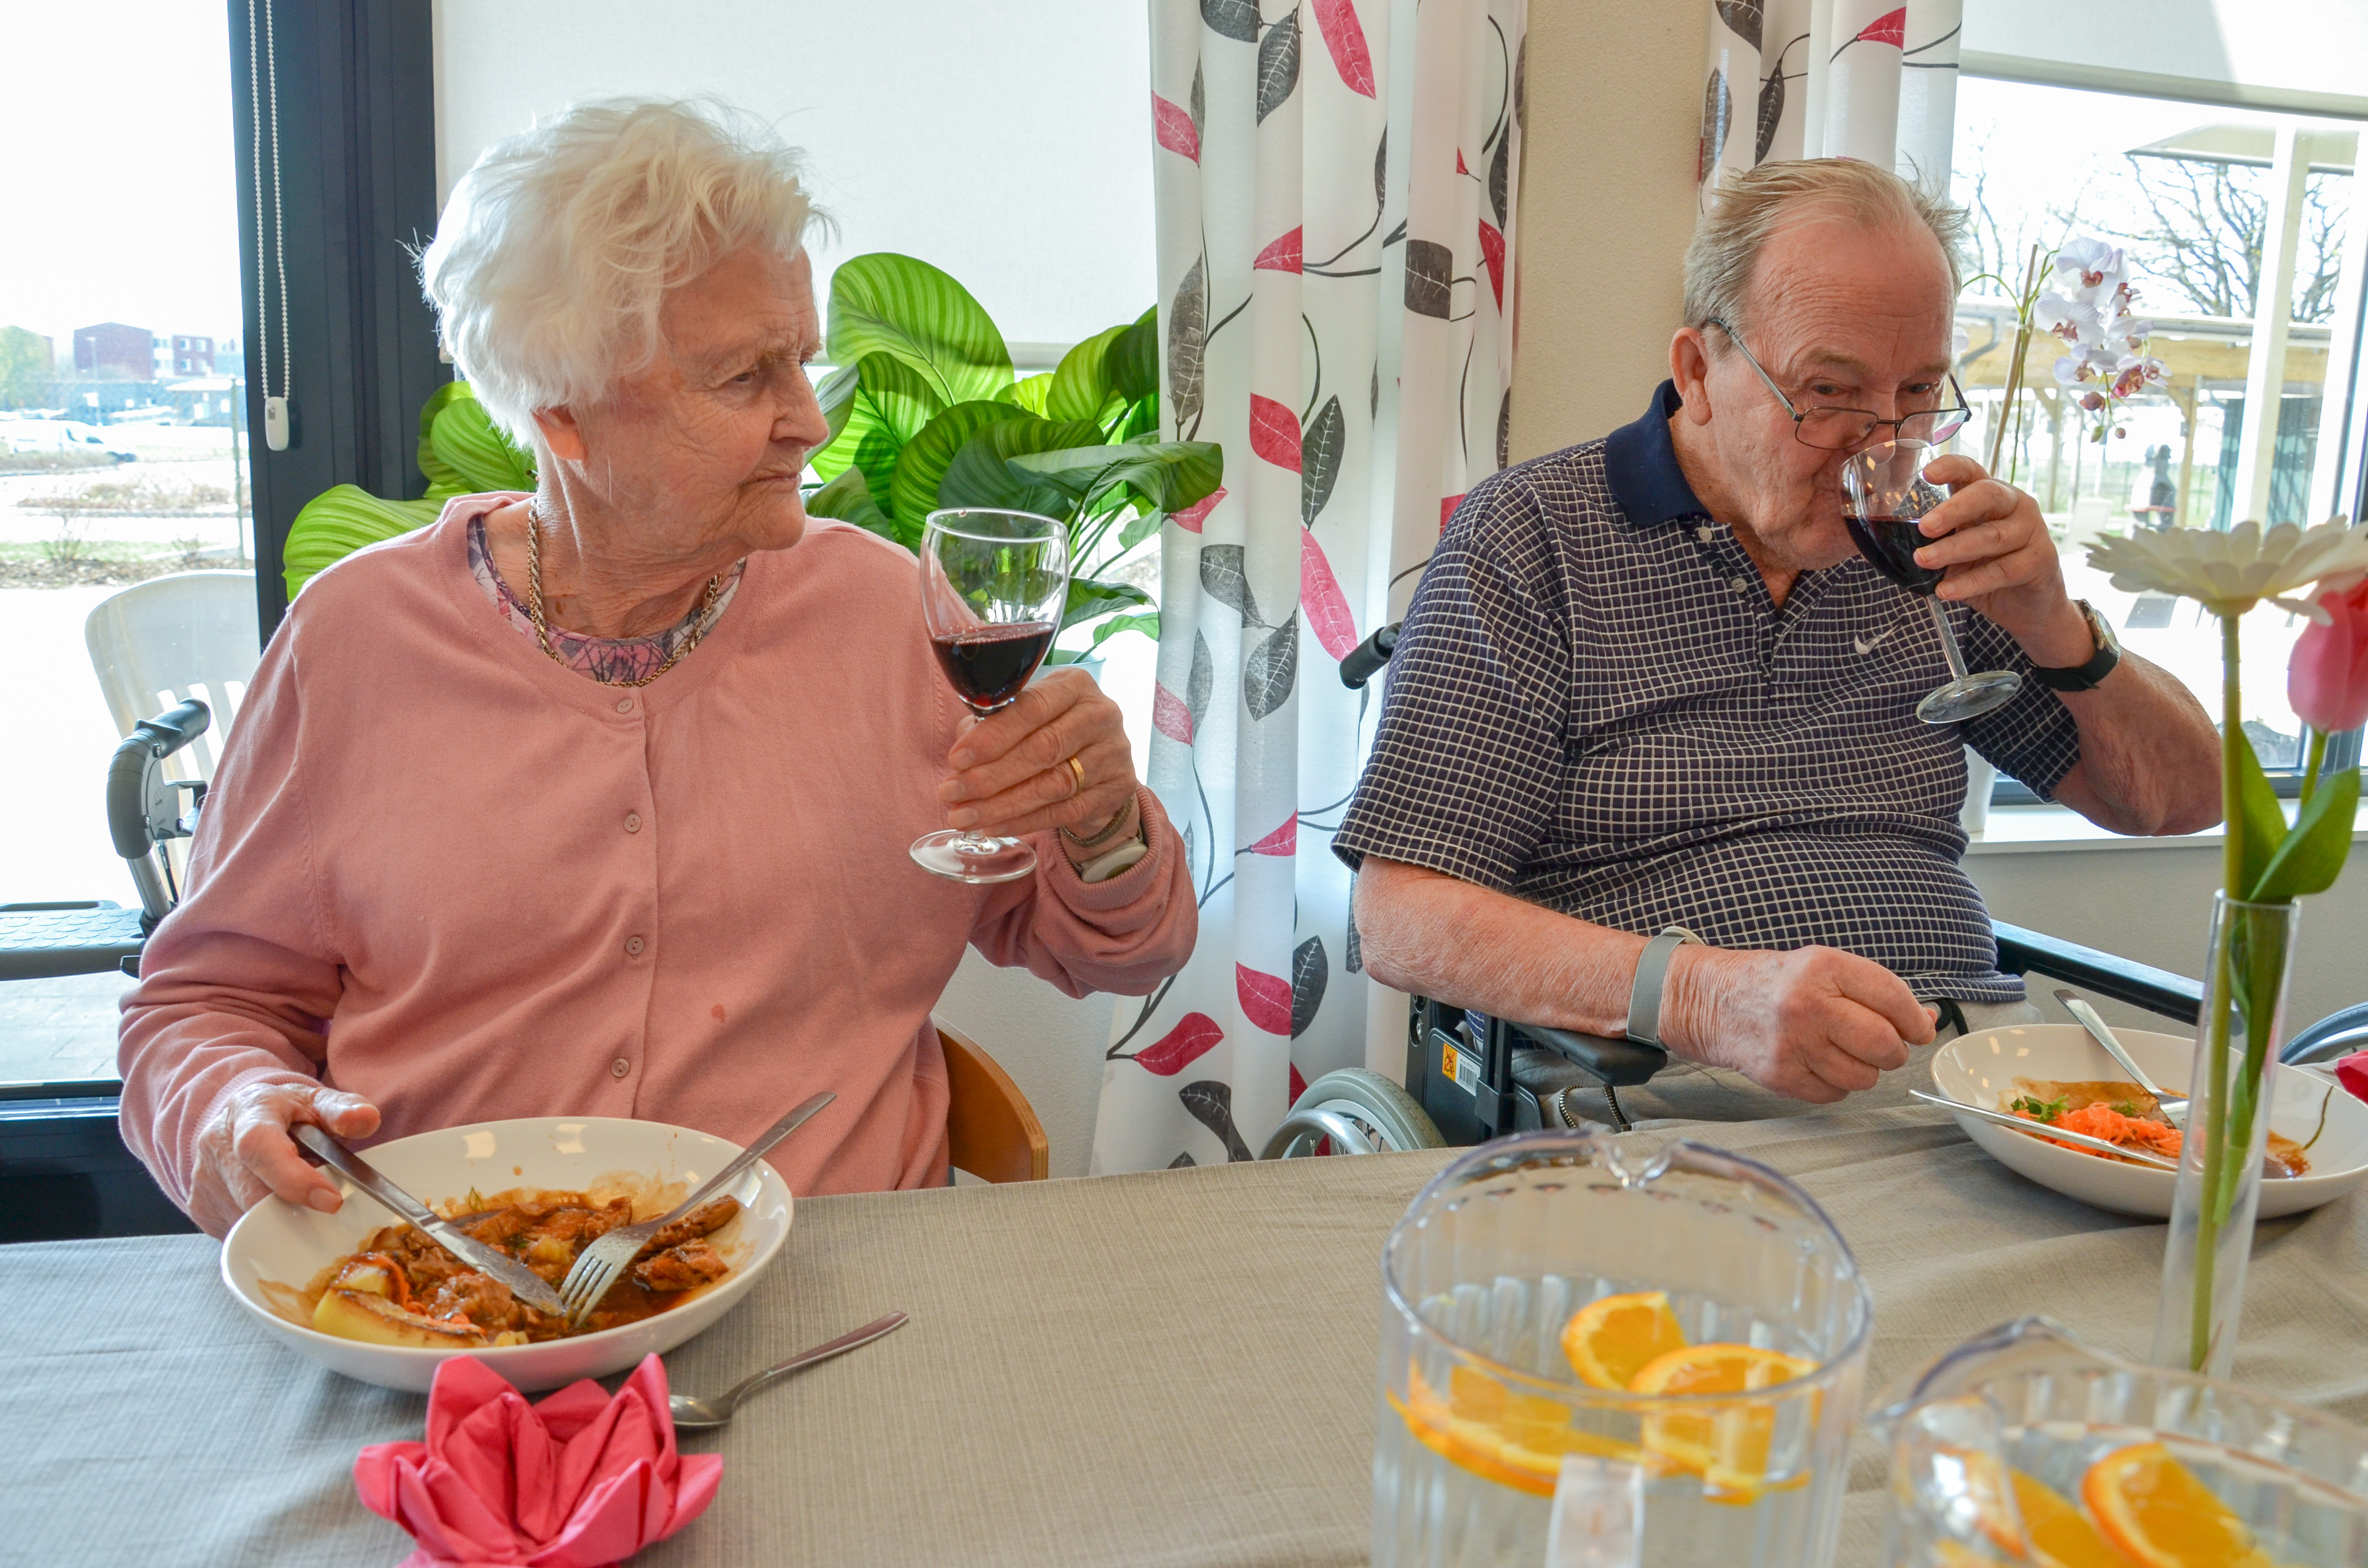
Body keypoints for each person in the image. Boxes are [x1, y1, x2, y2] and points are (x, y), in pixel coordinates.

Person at [119, 99, 1195, 1237]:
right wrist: (230, 1101)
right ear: (562, 414)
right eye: (742, 379)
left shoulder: (899, 622)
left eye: (804, 362)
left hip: (832, 1288)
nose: (808, 423)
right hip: (451, 1295)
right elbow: (202, 1003)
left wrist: (1102, 822)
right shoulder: (356, 640)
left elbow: (1122, 953)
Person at [1335, 160, 2218, 1123]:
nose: (1881, 445)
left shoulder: (1931, 539)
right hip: (1666, 1080)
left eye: (1917, 391)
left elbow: (2179, 800)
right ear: (1696, 371)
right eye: (1829, 392)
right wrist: (1703, 998)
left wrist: (2057, 625)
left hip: (1970, 1075)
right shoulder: (1535, 535)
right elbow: (1401, 916)